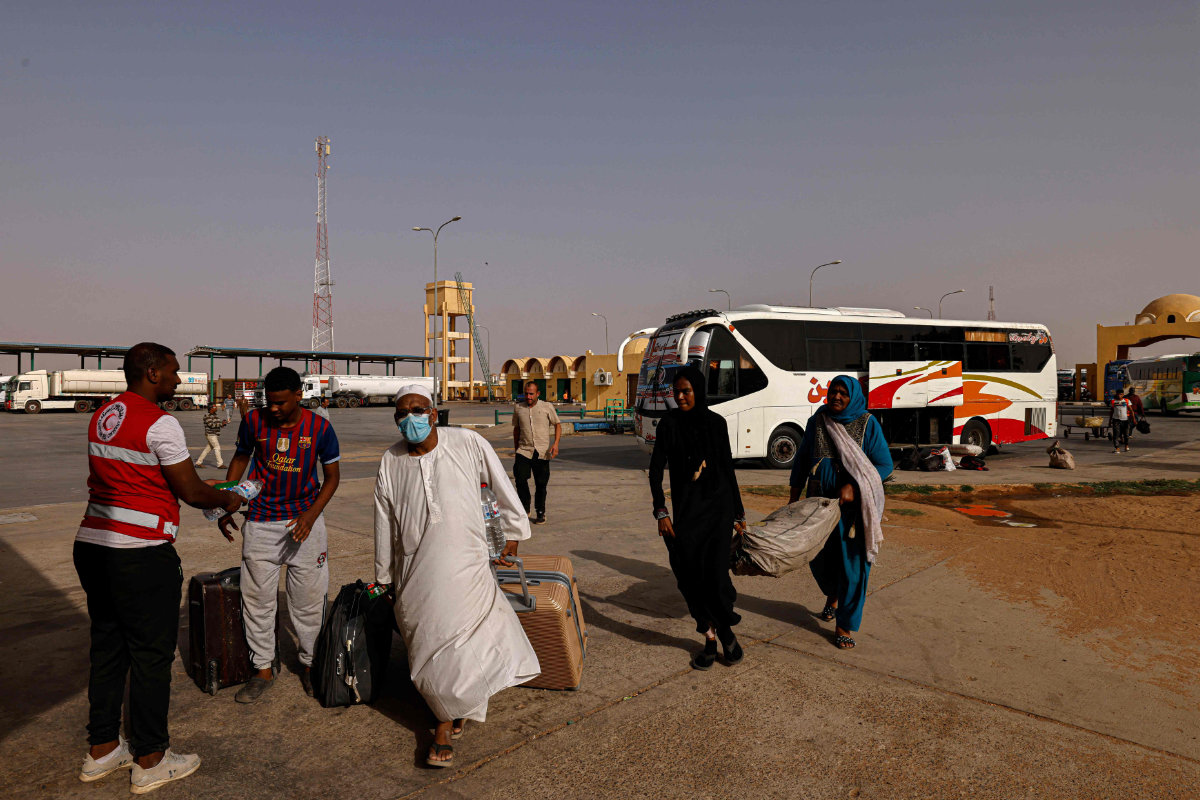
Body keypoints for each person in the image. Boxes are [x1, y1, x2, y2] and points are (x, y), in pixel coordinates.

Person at [74, 342, 244, 793]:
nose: (177, 379)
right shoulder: (160, 422)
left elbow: (133, 480)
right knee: (150, 656)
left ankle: (103, 749)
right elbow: (189, 489)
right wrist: (228, 498)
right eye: (172, 372)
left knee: (108, 647)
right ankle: (150, 758)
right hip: (140, 553)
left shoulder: (105, 415)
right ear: (151, 373)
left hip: (93, 544)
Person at [374, 384, 539, 768]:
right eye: (402, 413)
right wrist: (383, 575)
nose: (410, 418)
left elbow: (500, 484)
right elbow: (383, 519)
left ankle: (443, 725)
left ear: (433, 414)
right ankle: (456, 705)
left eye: (417, 410)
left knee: (465, 640)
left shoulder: (466, 442)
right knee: (429, 644)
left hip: (467, 559)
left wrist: (513, 532)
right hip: (416, 567)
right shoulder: (391, 460)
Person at [222, 367, 341, 702]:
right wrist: (227, 504)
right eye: (268, 402)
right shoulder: (254, 422)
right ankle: (262, 669)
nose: (272, 409)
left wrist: (310, 515)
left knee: (307, 602)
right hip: (260, 523)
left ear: (298, 396)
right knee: (257, 601)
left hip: (305, 524)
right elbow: (241, 458)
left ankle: (309, 664)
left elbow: (331, 477)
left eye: (280, 403)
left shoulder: (320, 428)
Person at [649, 365, 747, 670]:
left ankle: (725, 634)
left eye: (686, 391)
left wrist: (738, 513)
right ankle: (710, 637)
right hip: (687, 515)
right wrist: (661, 510)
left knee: (716, 579)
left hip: (718, 511)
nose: (680, 397)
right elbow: (654, 472)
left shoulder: (716, 424)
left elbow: (727, 470)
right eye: (676, 392)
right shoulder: (668, 424)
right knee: (689, 578)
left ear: (699, 391)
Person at [788, 375, 892, 650]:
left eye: (843, 393)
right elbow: (801, 460)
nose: (836, 397)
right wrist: (793, 497)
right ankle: (833, 594)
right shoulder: (819, 421)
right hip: (818, 506)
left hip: (854, 512)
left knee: (854, 568)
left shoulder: (868, 424)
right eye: (833, 391)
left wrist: (856, 488)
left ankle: (844, 623)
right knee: (819, 559)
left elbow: (884, 465)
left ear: (854, 396)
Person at [511, 381, 561, 524]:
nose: (528, 396)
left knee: (541, 484)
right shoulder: (518, 408)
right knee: (520, 479)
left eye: (531, 394)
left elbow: (557, 425)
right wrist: (516, 450)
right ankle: (525, 508)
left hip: (542, 452)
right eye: (526, 393)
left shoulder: (547, 407)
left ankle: (540, 511)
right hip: (524, 450)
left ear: (538, 394)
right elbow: (516, 429)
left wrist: (555, 444)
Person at [194, 403, 228, 468]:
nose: (216, 408)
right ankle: (220, 464)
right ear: (211, 408)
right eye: (215, 407)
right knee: (217, 448)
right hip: (211, 434)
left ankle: (198, 463)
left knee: (207, 449)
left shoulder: (215, 415)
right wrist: (221, 424)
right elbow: (211, 425)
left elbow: (217, 424)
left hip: (215, 434)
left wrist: (223, 424)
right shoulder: (207, 416)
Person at [1110, 388, 1133, 453]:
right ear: (1116, 394)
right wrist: (1110, 420)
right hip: (1116, 420)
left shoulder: (1126, 401)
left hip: (1125, 420)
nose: (1119, 396)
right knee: (1116, 435)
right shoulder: (1113, 401)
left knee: (1126, 434)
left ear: (1123, 394)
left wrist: (1133, 419)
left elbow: (1131, 410)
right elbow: (1111, 411)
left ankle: (1126, 446)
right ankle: (1117, 448)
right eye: (1118, 394)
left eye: (1121, 394)